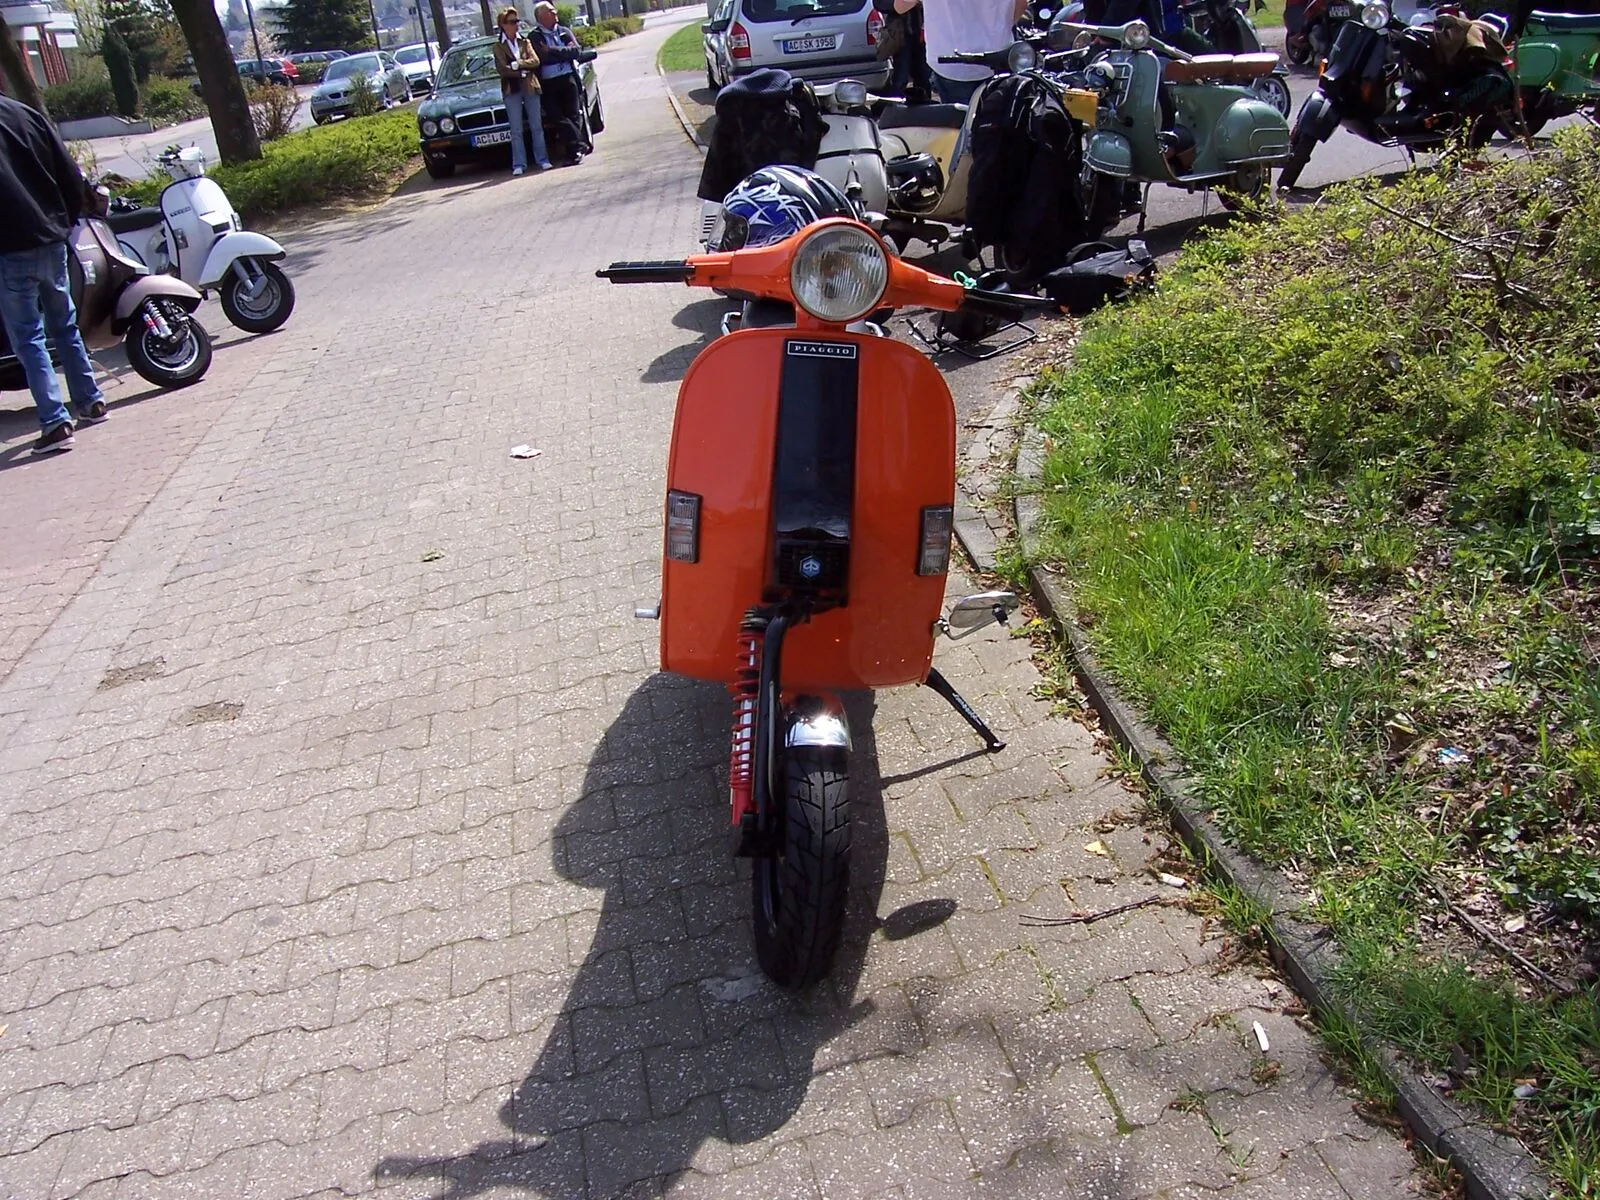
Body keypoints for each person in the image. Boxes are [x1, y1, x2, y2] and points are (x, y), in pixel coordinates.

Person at [0, 93, 108, 456]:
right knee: (64, 325)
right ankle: (91, 401)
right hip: (50, 237)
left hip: (9, 246)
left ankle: (55, 421)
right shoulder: (25, 115)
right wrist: (66, 221)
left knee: (28, 337)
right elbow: (68, 172)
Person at [906, 0, 1028, 105]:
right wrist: (998, 29)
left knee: (960, 121)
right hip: (999, 56)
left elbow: (901, 5)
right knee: (999, 118)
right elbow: (1021, 4)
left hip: (952, 62)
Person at [493, 6, 553, 175]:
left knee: (536, 126)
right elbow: (502, 69)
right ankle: (519, 164)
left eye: (517, 21)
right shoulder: (498, 47)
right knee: (516, 129)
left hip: (530, 86)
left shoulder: (525, 42)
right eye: (512, 22)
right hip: (511, 89)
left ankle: (542, 160)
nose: (516, 25)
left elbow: (535, 61)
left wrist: (518, 64)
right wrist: (520, 72)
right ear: (503, 25)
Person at [530, 1, 589, 164]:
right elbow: (542, 58)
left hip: (568, 78)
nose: (555, 13)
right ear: (541, 16)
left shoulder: (564, 32)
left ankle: (574, 152)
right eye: (551, 11)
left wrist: (552, 50)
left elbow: (576, 51)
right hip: (548, 83)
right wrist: (563, 53)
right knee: (557, 117)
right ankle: (580, 144)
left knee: (573, 115)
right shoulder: (535, 37)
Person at [873, 0, 932, 101]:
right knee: (900, 77)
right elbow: (879, 4)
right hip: (899, 36)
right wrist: (900, 4)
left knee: (924, 77)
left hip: (922, 34)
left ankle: (925, 106)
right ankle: (896, 106)